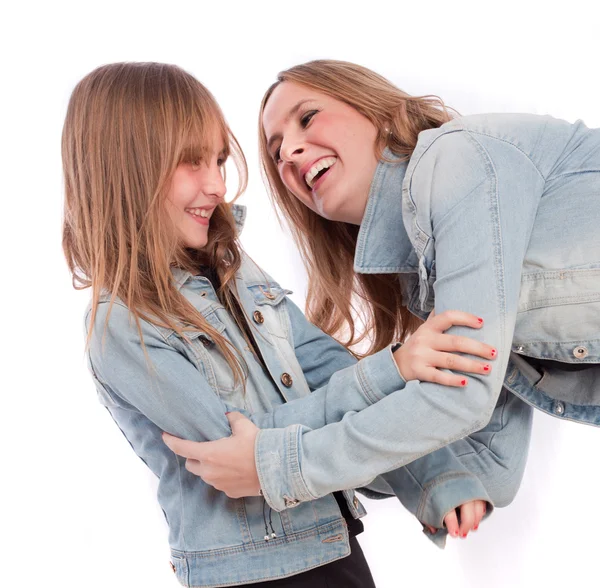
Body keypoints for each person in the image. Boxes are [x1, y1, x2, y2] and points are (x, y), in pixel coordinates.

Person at [63, 61, 509, 587]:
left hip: (327, 541)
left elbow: (324, 365)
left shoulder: (233, 266)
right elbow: (242, 456)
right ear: (124, 170)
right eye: (190, 162)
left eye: (219, 161)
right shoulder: (121, 326)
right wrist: (393, 369)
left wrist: (433, 478)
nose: (216, 185)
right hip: (251, 572)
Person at [165, 59, 597, 526]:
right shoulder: (431, 272)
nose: (289, 150)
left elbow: (463, 396)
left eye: (307, 118)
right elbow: (491, 469)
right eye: (276, 154)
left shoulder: (457, 160)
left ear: (373, 109)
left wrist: (278, 464)